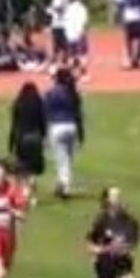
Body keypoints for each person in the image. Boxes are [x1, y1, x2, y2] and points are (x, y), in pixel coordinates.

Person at [45, 67, 85, 199]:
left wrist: (45, 131)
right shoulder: (73, 93)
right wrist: (81, 133)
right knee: (67, 159)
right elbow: (78, 115)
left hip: (57, 127)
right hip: (72, 127)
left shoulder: (51, 93)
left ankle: (65, 187)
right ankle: (61, 184)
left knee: (62, 160)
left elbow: (45, 112)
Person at [8, 82, 47, 196]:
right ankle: (31, 186)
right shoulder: (39, 103)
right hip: (35, 136)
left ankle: (23, 191)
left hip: (21, 138)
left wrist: (11, 143)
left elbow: (14, 125)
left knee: (22, 166)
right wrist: (43, 137)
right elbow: (43, 122)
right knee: (34, 166)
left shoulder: (18, 103)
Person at [63, 0, 91, 77]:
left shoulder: (67, 9)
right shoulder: (82, 8)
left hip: (69, 35)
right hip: (79, 34)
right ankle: (83, 73)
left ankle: (70, 74)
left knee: (71, 55)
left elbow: (65, 22)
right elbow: (84, 22)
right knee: (82, 54)